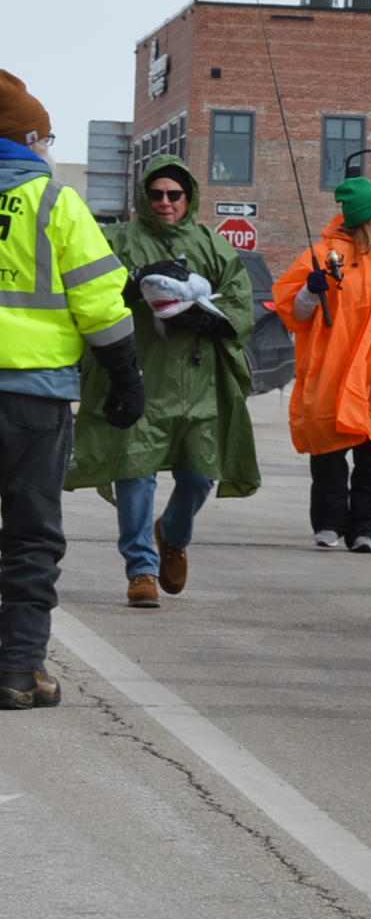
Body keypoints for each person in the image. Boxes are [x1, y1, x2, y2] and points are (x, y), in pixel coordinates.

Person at [0, 71, 140, 710]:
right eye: (46, 136)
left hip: (36, 393)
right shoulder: (55, 203)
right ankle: (17, 668)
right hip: (35, 397)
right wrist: (126, 377)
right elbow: (101, 306)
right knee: (31, 535)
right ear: (28, 139)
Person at [72, 155, 259, 606]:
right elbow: (88, 291)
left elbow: (239, 301)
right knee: (134, 473)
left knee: (200, 475)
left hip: (199, 383)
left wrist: (211, 321)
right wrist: (133, 284)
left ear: (189, 197)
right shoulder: (115, 240)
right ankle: (141, 569)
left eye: (174, 194)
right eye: (155, 194)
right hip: (138, 375)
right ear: (144, 197)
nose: (165, 202)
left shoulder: (212, 245)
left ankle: (172, 534)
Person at [274, 178, 371, 555]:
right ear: (364, 219)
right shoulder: (319, 256)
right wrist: (310, 291)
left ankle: (366, 529)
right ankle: (328, 523)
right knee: (328, 456)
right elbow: (296, 314)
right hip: (330, 374)